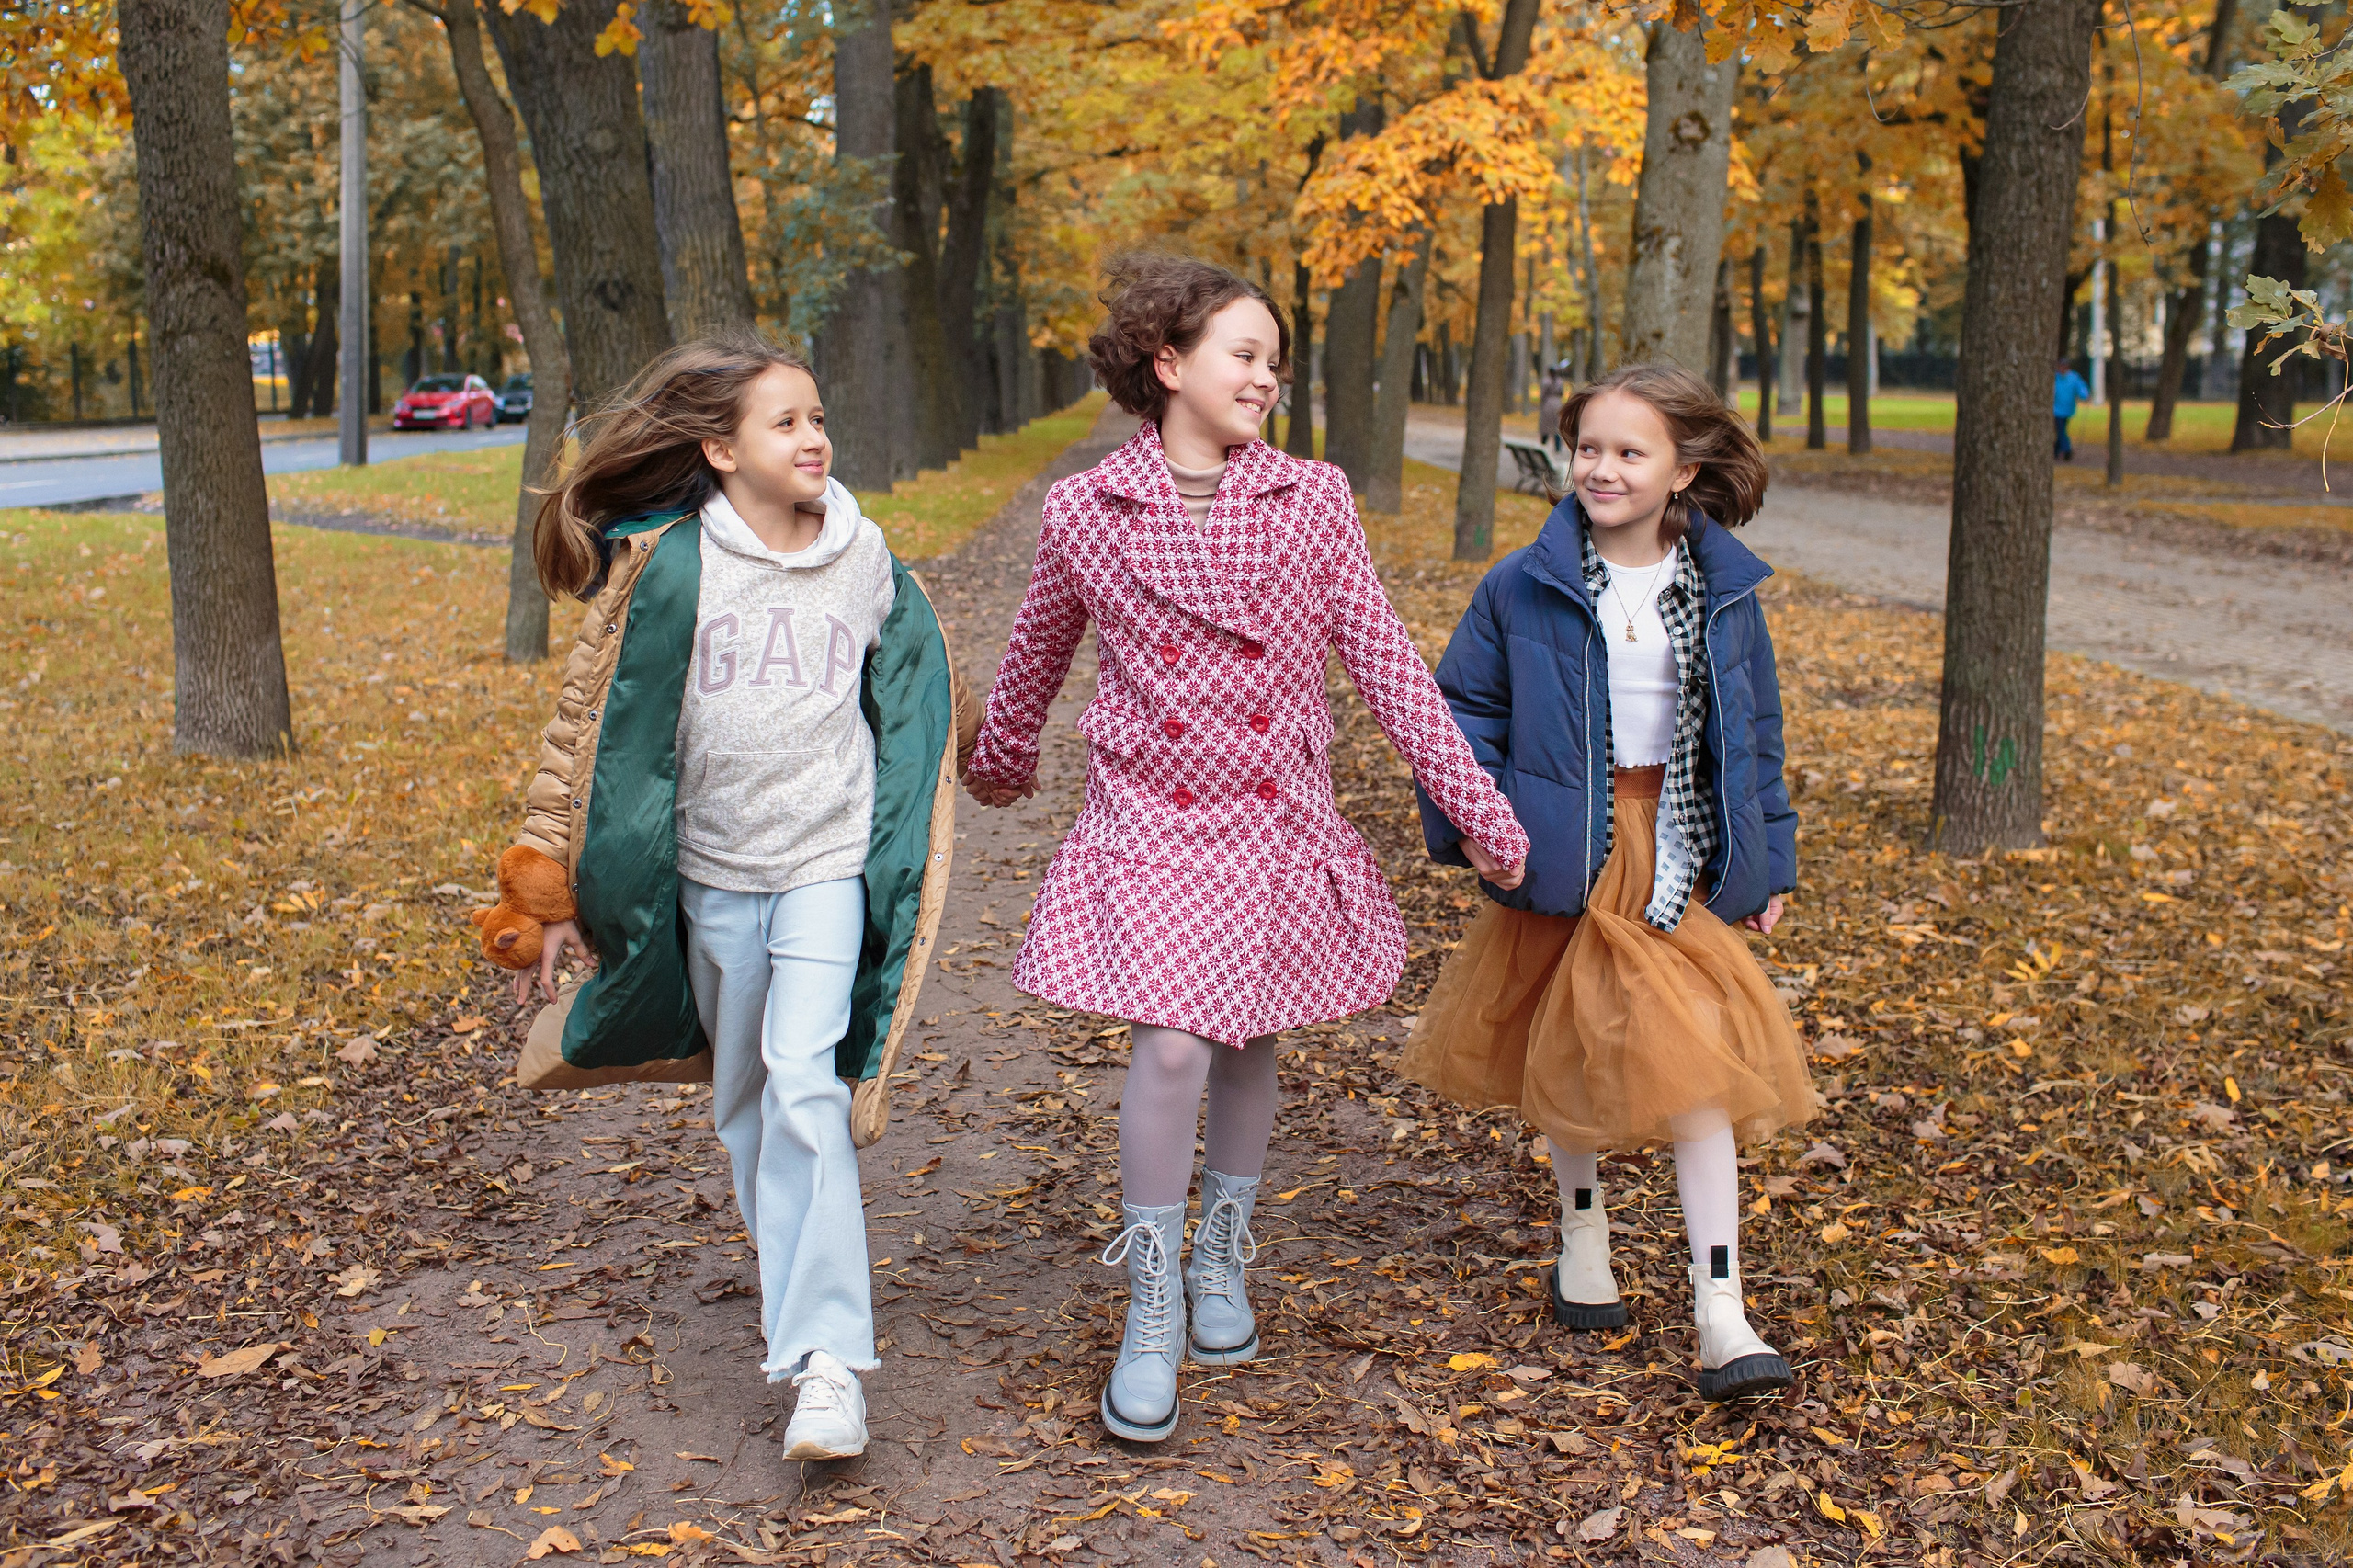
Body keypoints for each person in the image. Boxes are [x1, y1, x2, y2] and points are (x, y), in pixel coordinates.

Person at [963, 254, 1530, 1443]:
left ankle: (1223, 1249)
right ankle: (1155, 1292)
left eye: (1276, 358)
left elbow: (1385, 666)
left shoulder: (1313, 500)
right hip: (1152, 813)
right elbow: (1035, 655)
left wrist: (1481, 810)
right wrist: (998, 758)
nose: (1266, 375)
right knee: (1171, 1044)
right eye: (1244, 353)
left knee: (1246, 1035)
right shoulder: (1085, 511)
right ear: (1168, 364)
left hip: (1271, 813)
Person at [477, 334, 975, 1461]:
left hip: (824, 865)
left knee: (808, 1084)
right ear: (718, 448)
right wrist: (547, 883)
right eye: (784, 422)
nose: (813, 437)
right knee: (746, 1103)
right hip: (707, 872)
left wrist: (967, 745)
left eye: (815, 416)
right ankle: (799, 1321)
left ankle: (830, 1366)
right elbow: (586, 727)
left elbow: (911, 687)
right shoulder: (665, 563)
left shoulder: (862, 554)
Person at [1404, 361, 1817, 1403]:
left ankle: (1720, 1307)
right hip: (1559, 842)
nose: (1601, 467)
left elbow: (1753, 732)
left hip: (1673, 847)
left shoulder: (1724, 591)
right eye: (1588, 446)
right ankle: (1581, 1235)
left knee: (1700, 1070)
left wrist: (1769, 856)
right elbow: (1463, 717)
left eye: (1629, 451)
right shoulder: (1520, 582)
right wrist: (1479, 827)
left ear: (1683, 469)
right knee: (1572, 1045)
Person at [2053, 358, 2093, 460]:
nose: (2061, 369)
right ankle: (2065, 450)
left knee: (2061, 430)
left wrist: (2085, 395)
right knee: (2061, 430)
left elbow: (2081, 388)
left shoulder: (2073, 378)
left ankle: (2059, 450)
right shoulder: (2055, 377)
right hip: (2056, 410)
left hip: (2067, 409)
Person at [1538, 359, 1570, 452]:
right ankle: (1557, 447)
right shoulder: (1559, 381)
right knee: (1556, 427)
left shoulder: (1545, 381)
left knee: (1546, 426)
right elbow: (1561, 393)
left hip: (1548, 404)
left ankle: (1543, 445)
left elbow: (1543, 395)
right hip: (1557, 404)